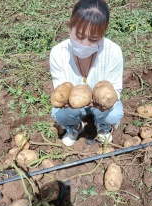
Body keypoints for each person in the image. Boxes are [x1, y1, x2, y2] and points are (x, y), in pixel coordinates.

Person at [49, 0, 124, 146]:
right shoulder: (58, 53)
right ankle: (75, 126)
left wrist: (106, 102)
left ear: (103, 33)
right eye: (80, 36)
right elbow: (59, 89)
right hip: (73, 106)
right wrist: (65, 103)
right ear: (69, 26)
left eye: (93, 39)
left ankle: (103, 127)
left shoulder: (113, 51)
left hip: (100, 104)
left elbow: (116, 88)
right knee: (59, 114)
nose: (85, 44)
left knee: (114, 113)